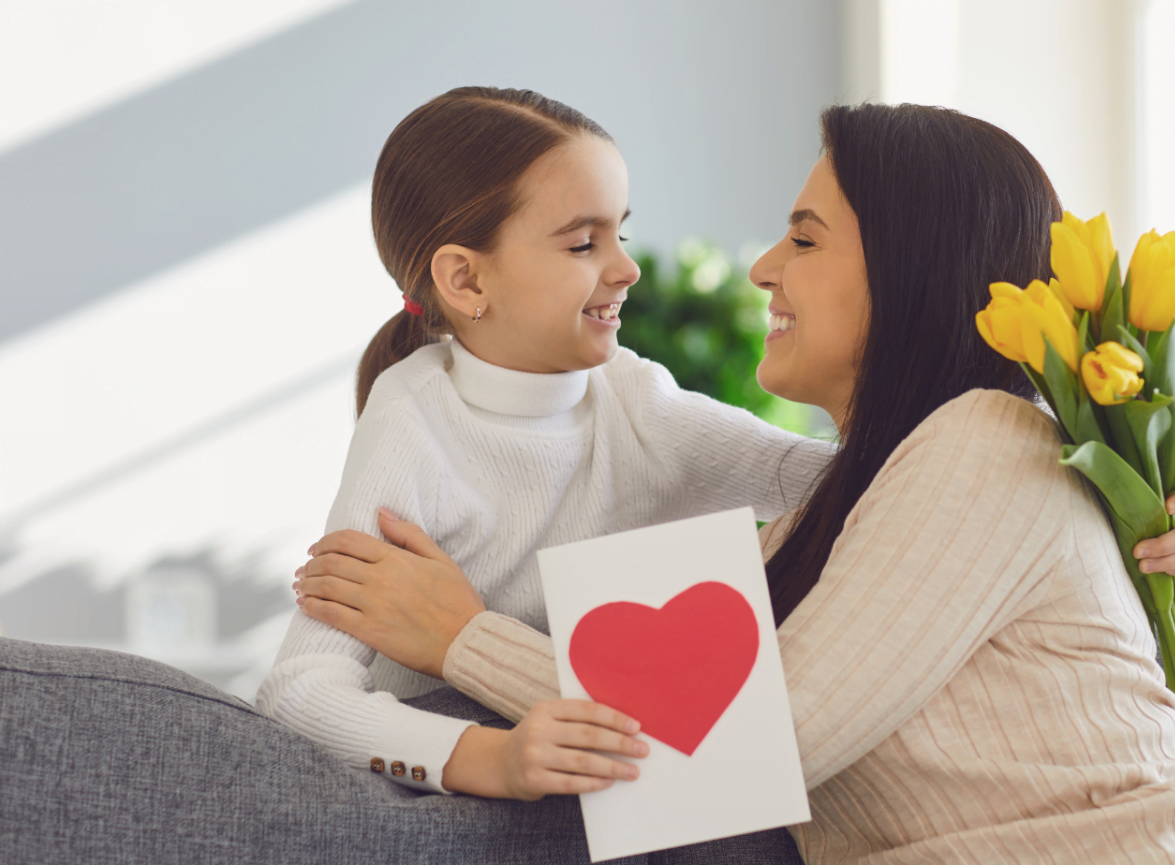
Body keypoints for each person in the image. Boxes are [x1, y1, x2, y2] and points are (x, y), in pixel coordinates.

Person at [295, 102, 1175, 864]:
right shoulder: (859, 509)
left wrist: (464, 638)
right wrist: (1121, 500)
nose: (761, 268)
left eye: (804, 239)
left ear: (910, 269)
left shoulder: (989, 441)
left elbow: (759, 743)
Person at [255, 86, 841, 798]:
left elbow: (862, 482)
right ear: (465, 279)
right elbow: (297, 691)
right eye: (584, 243)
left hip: (636, 794)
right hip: (454, 813)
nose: (627, 269)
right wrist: (491, 758)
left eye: (621, 235)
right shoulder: (411, 419)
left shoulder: (639, 401)